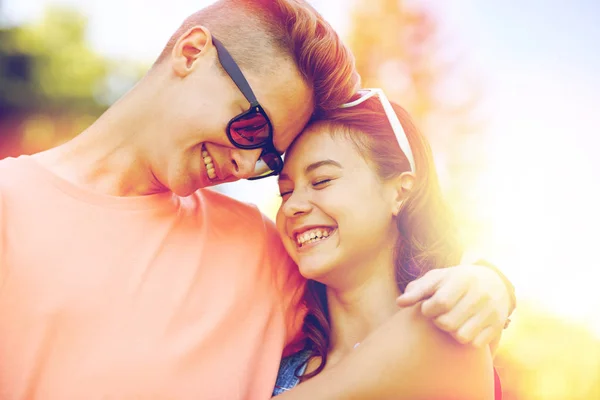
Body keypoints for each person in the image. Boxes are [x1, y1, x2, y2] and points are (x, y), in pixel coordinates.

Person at [0, 1, 513, 398]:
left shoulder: (261, 248)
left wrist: (490, 284)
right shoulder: (11, 205)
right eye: (252, 127)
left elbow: (374, 283)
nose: (247, 167)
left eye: (268, 158)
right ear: (192, 52)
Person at [272, 89, 503, 399]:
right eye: (285, 192)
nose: (291, 207)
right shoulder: (279, 368)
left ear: (400, 192)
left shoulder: (444, 332)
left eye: (322, 180)